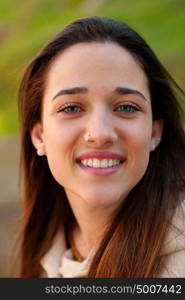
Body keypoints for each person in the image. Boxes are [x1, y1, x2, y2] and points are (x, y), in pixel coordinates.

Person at [15, 16, 185, 278]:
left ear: (154, 132)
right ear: (39, 137)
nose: (100, 134)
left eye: (126, 107)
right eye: (71, 108)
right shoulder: (45, 258)